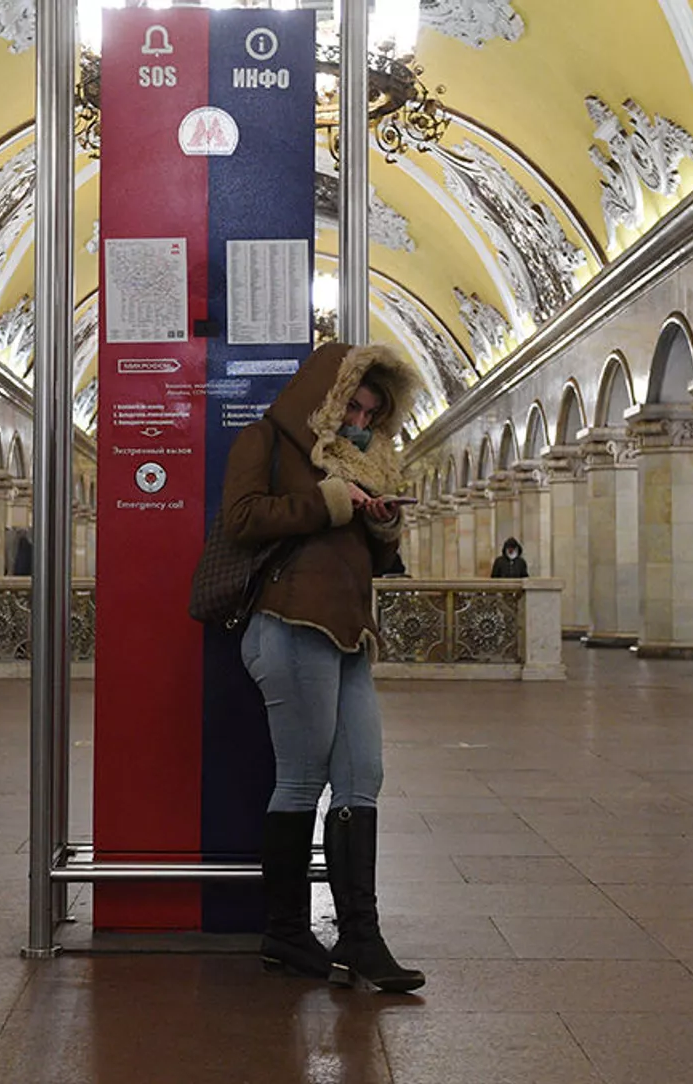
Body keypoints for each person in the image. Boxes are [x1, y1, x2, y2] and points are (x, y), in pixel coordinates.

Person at [221, 340, 426, 993]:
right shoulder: (266, 439)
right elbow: (241, 518)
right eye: (352, 408)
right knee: (303, 778)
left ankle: (360, 937)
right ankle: (285, 930)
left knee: (363, 774)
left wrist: (382, 524)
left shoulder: (368, 464)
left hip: (349, 631)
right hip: (289, 624)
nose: (360, 423)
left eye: (371, 414)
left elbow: (367, 559)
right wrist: (331, 501)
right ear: (328, 398)